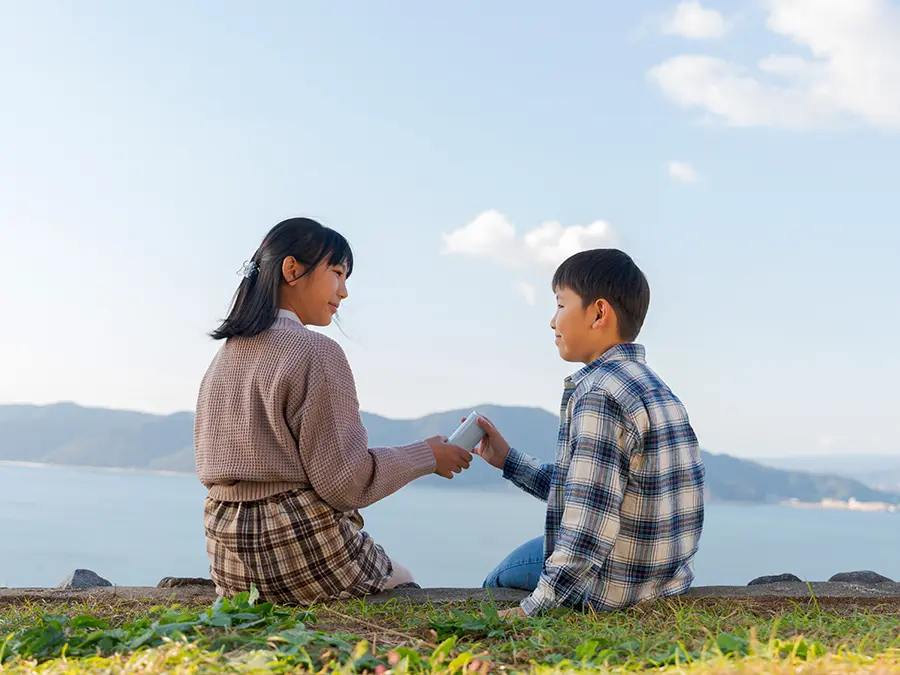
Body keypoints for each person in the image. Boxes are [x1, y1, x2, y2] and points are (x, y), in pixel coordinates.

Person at [194, 217, 472, 604]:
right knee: (402, 576)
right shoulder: (316, 351)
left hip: (229, 558)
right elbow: (346, 483)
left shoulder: (225, 355)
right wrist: (428, 455)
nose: (343, 292)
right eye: (337, 273)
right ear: (292, 270)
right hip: (293, 545)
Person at [474, 248, 705, 617]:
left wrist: (533, 609)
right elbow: (593, 487)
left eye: (561, 305)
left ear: (599, 313)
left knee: (496, 580)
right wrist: (508, 461)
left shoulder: (599, 394)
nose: (552, 322)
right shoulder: (655, 388)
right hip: (662, 577)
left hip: (613, 585)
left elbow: (588, 525)